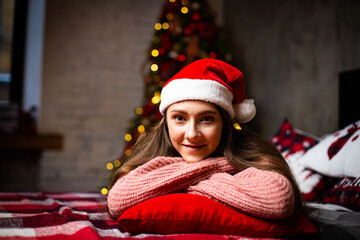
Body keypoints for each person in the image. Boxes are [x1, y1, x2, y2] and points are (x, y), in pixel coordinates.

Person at [107, 58, 304, 220]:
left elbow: (279, 200)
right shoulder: (154, 149)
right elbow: (118, 200)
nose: (192, 134)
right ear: (166, 122)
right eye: (179, 118)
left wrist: (175, 183)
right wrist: (219, 168)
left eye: (207, 119)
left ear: (224, 124)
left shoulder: (249, 153)